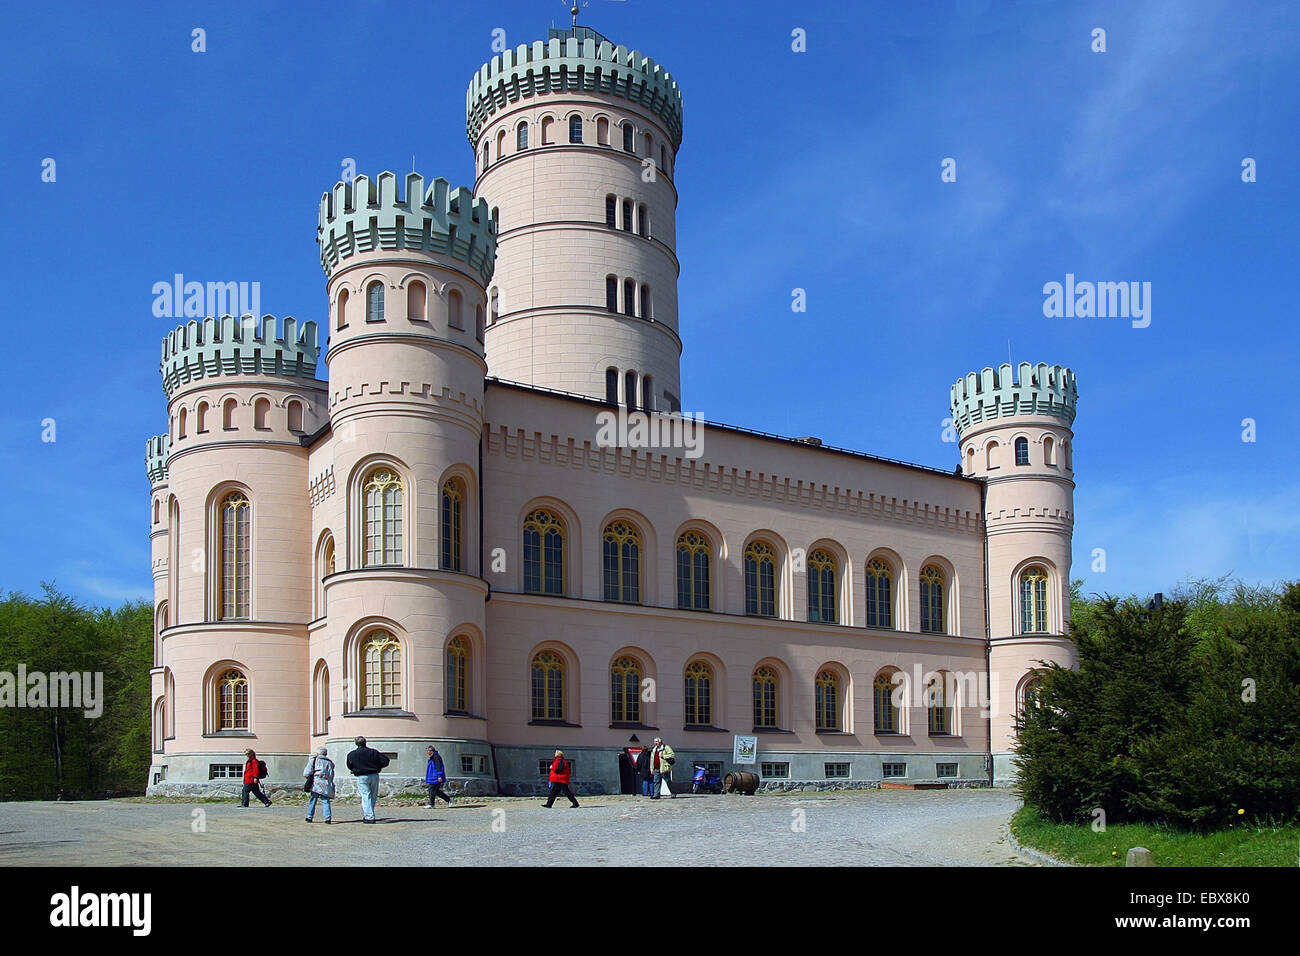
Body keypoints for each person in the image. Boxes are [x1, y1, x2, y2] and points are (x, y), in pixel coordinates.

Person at [345, 735, 389, 823]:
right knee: (373, 796)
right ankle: (369, 814)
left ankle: (369, 816)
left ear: (356, 744)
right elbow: (385, 760)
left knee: (366, 796)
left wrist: (355, 769)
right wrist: (378, 767)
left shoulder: (352, 754)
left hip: (361, 776)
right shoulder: (373, 752)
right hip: (374, 775)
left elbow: (349, 765)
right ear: (365, 743)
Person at [303, 746, 335, 824]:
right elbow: (331, 775)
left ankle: (309, 817)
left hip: (316, 783)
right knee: (326, 801)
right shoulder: (330, 763)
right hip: (326, 784)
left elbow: (306, 772)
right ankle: (328, 818)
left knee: (312, 800)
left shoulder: (314, 760)